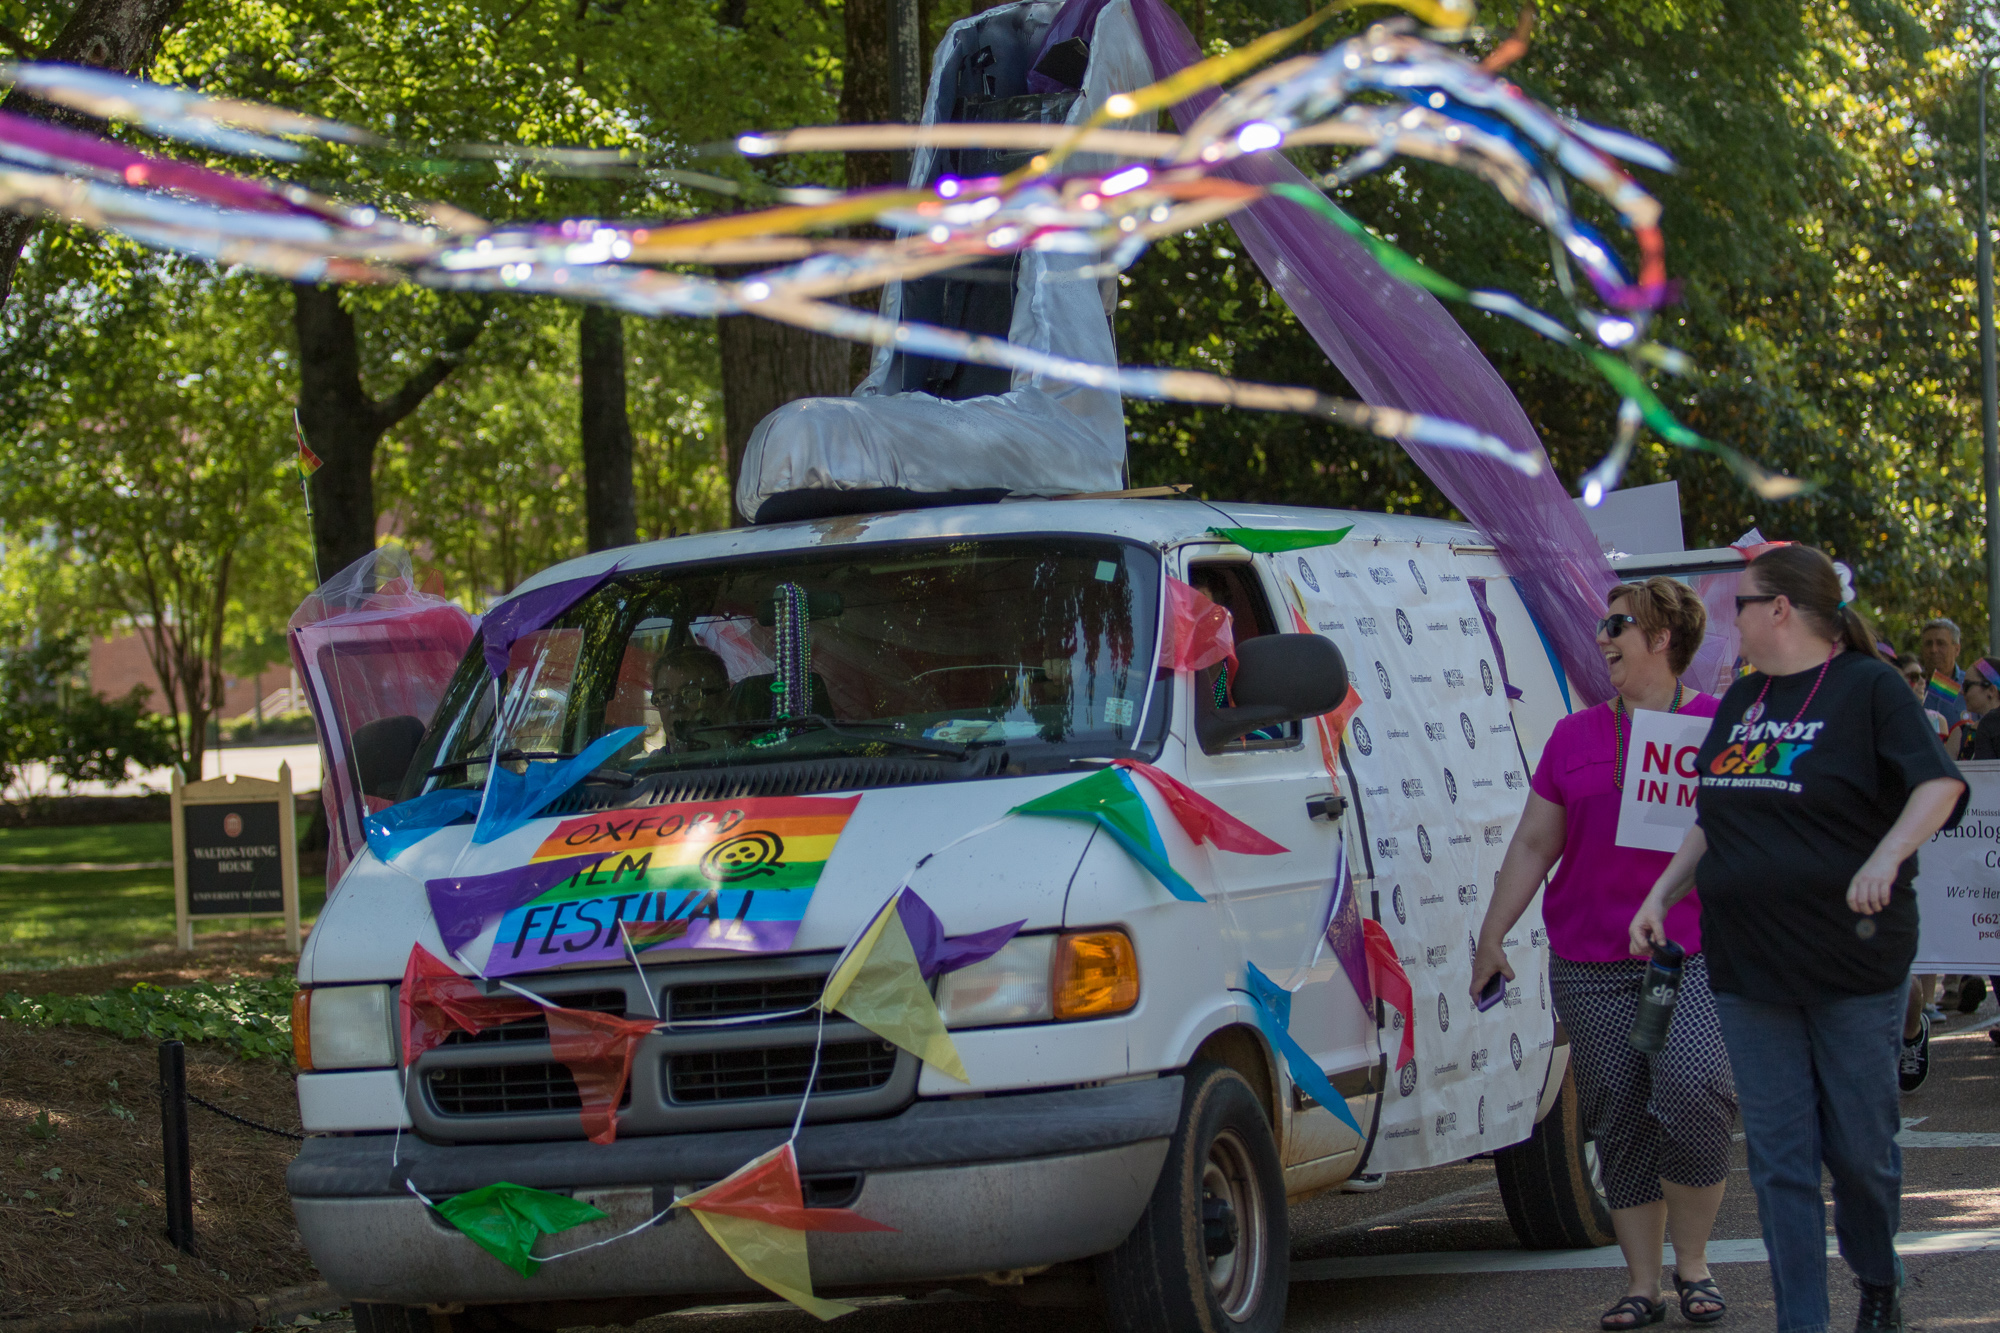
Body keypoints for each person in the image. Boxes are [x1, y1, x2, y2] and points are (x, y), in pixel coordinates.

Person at [1629, 544, 1966, 1333]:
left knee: (1860, 1156)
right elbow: (1714, 816)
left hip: (1853, 961)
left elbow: (1941, 783)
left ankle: (1878, 1277)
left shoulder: (1869, 687)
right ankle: (1802, 1322)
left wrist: (1886, 854)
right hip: (1750, 965)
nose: (1728, 618)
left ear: (1780, 609)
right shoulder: (1741, 702)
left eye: (1740, 603)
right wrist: (1661, 891)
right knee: (1779, 1161)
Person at [1475, 577, 1734, 1330]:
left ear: (1662, 638)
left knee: (1694, 1093)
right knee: (1617, 1115)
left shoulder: (1718, 730)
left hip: (1686, 958)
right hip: (1590, 963)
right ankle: (1645, 1283)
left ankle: (1695, 1264)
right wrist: (1492, 936)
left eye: (1618, 625)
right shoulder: (1573, 735)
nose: (1603, 638)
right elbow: (1533, 841)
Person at [649, 645, 732, 752]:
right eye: (663, 696)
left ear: (724, 698)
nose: (675, 706)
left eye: (689, 693)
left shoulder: (752, 756)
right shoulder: (651, 766)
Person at [1917, 617, 1966, 727]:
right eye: (1928, 644)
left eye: (1941, 643)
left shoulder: (1971, 685)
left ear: (1957, 649)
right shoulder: (1913, 683)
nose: (1934, 649)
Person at [1894, 654, 1949, 743]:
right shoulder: (1888, 719)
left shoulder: (1938, 721)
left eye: (1923, 675)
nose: (1922, 681)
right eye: (1914, 676)